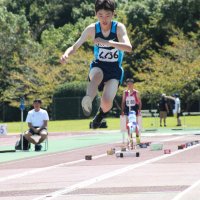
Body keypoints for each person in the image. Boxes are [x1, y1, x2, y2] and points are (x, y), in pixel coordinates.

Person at [60, 0, 132, 128]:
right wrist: (66, 54)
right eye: (100, 15)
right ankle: (88, 100)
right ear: (96, 14)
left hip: (114, 69)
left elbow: (128, 47)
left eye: (107, 15)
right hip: (99, 64)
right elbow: (75, 46)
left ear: (113, 14)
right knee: (97, 75)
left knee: (106, 101)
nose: (104, 19)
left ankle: (101, 114)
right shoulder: (92, 29)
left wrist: (108, 43)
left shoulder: (118, 28)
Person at [121, 78, 142, 147]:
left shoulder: (136, 92)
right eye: (128, 84)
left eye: (131, 84)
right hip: (127, 109)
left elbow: (139, 102)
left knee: (134, 124)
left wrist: (139, 110)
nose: (129, 85)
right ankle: (129, 138)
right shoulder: (125, 92)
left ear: (133, 85)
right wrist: (122, 111)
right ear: (127, 85)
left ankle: (137, 137)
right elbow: (123, 102)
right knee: (128, 125)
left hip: (134, 109)